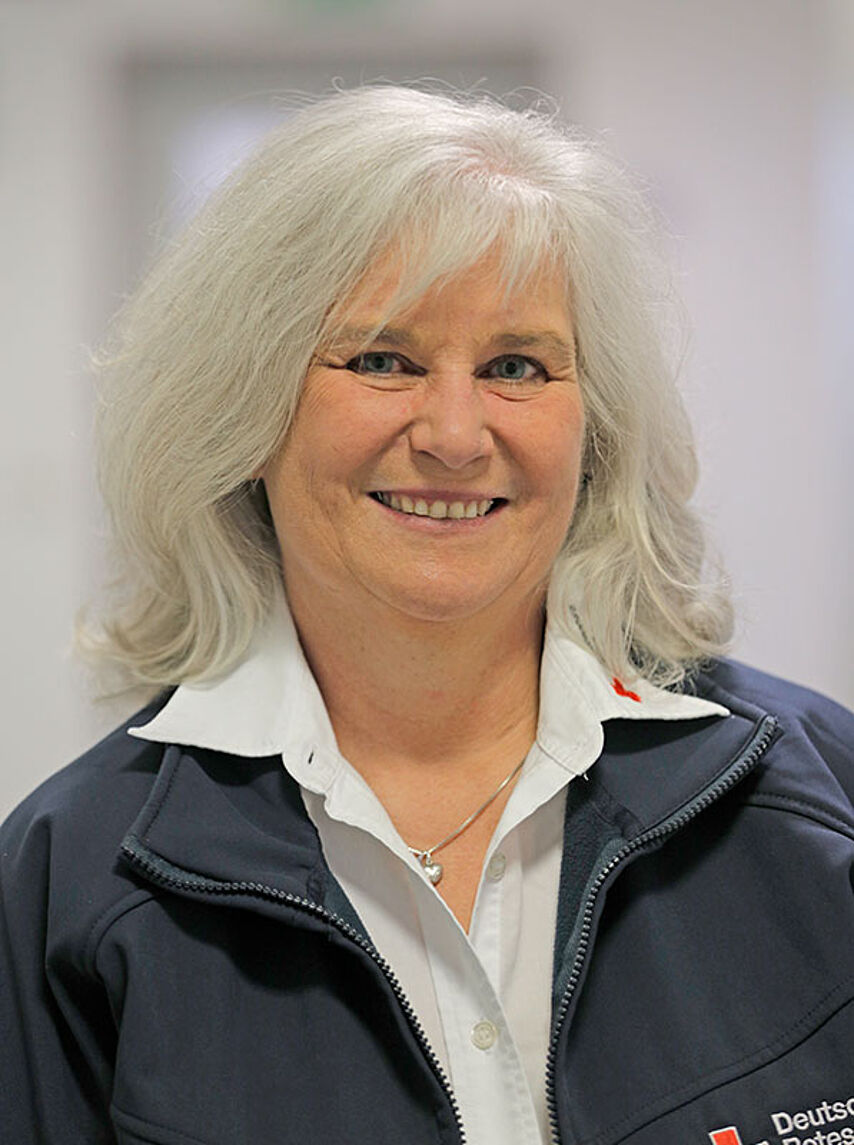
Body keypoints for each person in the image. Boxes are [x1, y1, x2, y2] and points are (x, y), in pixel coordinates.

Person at [1, 84, 852, 1145]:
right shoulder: (73, 882)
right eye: (381, 360)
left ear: (592, 430)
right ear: (245, 411)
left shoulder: (812, 794)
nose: (454, 434)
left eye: (514, 366)